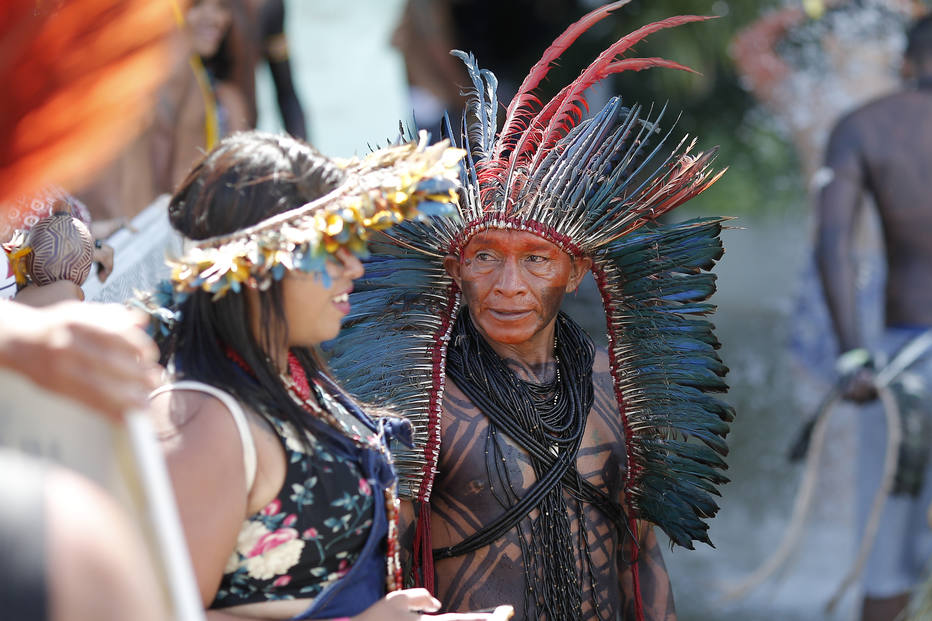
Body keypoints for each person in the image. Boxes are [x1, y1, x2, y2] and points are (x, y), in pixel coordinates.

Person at [327, 5, 734, 620]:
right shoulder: (418, 400)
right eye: (484, 257)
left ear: (576, 273)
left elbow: (643, 561)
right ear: (455, 268)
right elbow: (379, 564)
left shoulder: (620, 385)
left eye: (536, 261)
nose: (507, 286)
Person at [146, 130, 511, 621]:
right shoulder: (206, 419)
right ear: (259, 268)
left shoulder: (295, 380)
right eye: (330, 247)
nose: (353, 268)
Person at [815, 13, 932, 621]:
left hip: (903, 370)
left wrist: (853, 354)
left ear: (906, 63)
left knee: (889, 560)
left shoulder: (864, 126)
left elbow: (833, 243)